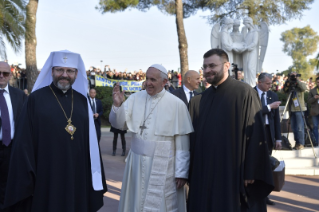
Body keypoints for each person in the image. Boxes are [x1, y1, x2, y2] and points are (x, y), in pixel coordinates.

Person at [4, 50, 107, 212]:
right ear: (52, 71)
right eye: (59, 70)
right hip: (46, 173)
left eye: (69, 71)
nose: (64, 75)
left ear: (76, 74)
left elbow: (91, 144)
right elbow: (24, 142)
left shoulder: (82, 101)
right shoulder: (35, 100)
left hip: (76, 173)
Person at [187, 49, 273, 212]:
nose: (207, 71)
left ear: (226, 65)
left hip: (233, 172)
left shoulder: (245, 93)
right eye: (205, 67)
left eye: (212, 65)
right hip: (206, 171)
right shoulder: (203, 98)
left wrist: (251, 171)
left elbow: (255, 134)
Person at [110, 64, 193, 212]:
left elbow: (182, 142)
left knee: (160, 204)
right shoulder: (135, 98)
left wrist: (181, 172)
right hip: (136, 163)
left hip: (163, 163)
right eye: (147, 78)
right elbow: (119, 124)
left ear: (164, 82)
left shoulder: (177, 105)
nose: (148, 83)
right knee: (135, 201)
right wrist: (117, 106)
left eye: (153, 79)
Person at [0, 62, 27, 212]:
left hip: (12, 148)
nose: (1, 76)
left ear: (10, 75)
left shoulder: (19, 96)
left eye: (5, 73)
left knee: (10, 185)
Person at [255, 73, 282, 206]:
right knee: (255, 163)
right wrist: (269, 107)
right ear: (259, 82)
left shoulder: (273, 95)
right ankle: (254, 193)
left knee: (268, 165)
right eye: (267, 83)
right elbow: (253, 112)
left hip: (268, 133)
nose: (270, 86)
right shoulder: (251, 94)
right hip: (255, 133)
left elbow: (276, 119)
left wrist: (278, 138)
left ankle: (265, 195)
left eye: (271, 83)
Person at [283, 71, 307, 150]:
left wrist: (296, 80)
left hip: (299, 109)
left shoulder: (300, 84)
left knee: (300, 127)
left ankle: (301, 143)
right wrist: (287, 82)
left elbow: (304, 88)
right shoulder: (289, 84)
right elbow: (283, 91)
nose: (293, 77)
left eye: (295, 75)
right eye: (291, 76)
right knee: (293, 127)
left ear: (297, 76)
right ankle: (297, 143)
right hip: (291, 108)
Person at [308, 77, 319, 147]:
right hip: (315, 112)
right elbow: (309, 101)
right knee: (315, 127)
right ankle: (316, 142)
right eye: (318, 82)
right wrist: (314, 98)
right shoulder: (312, 91)